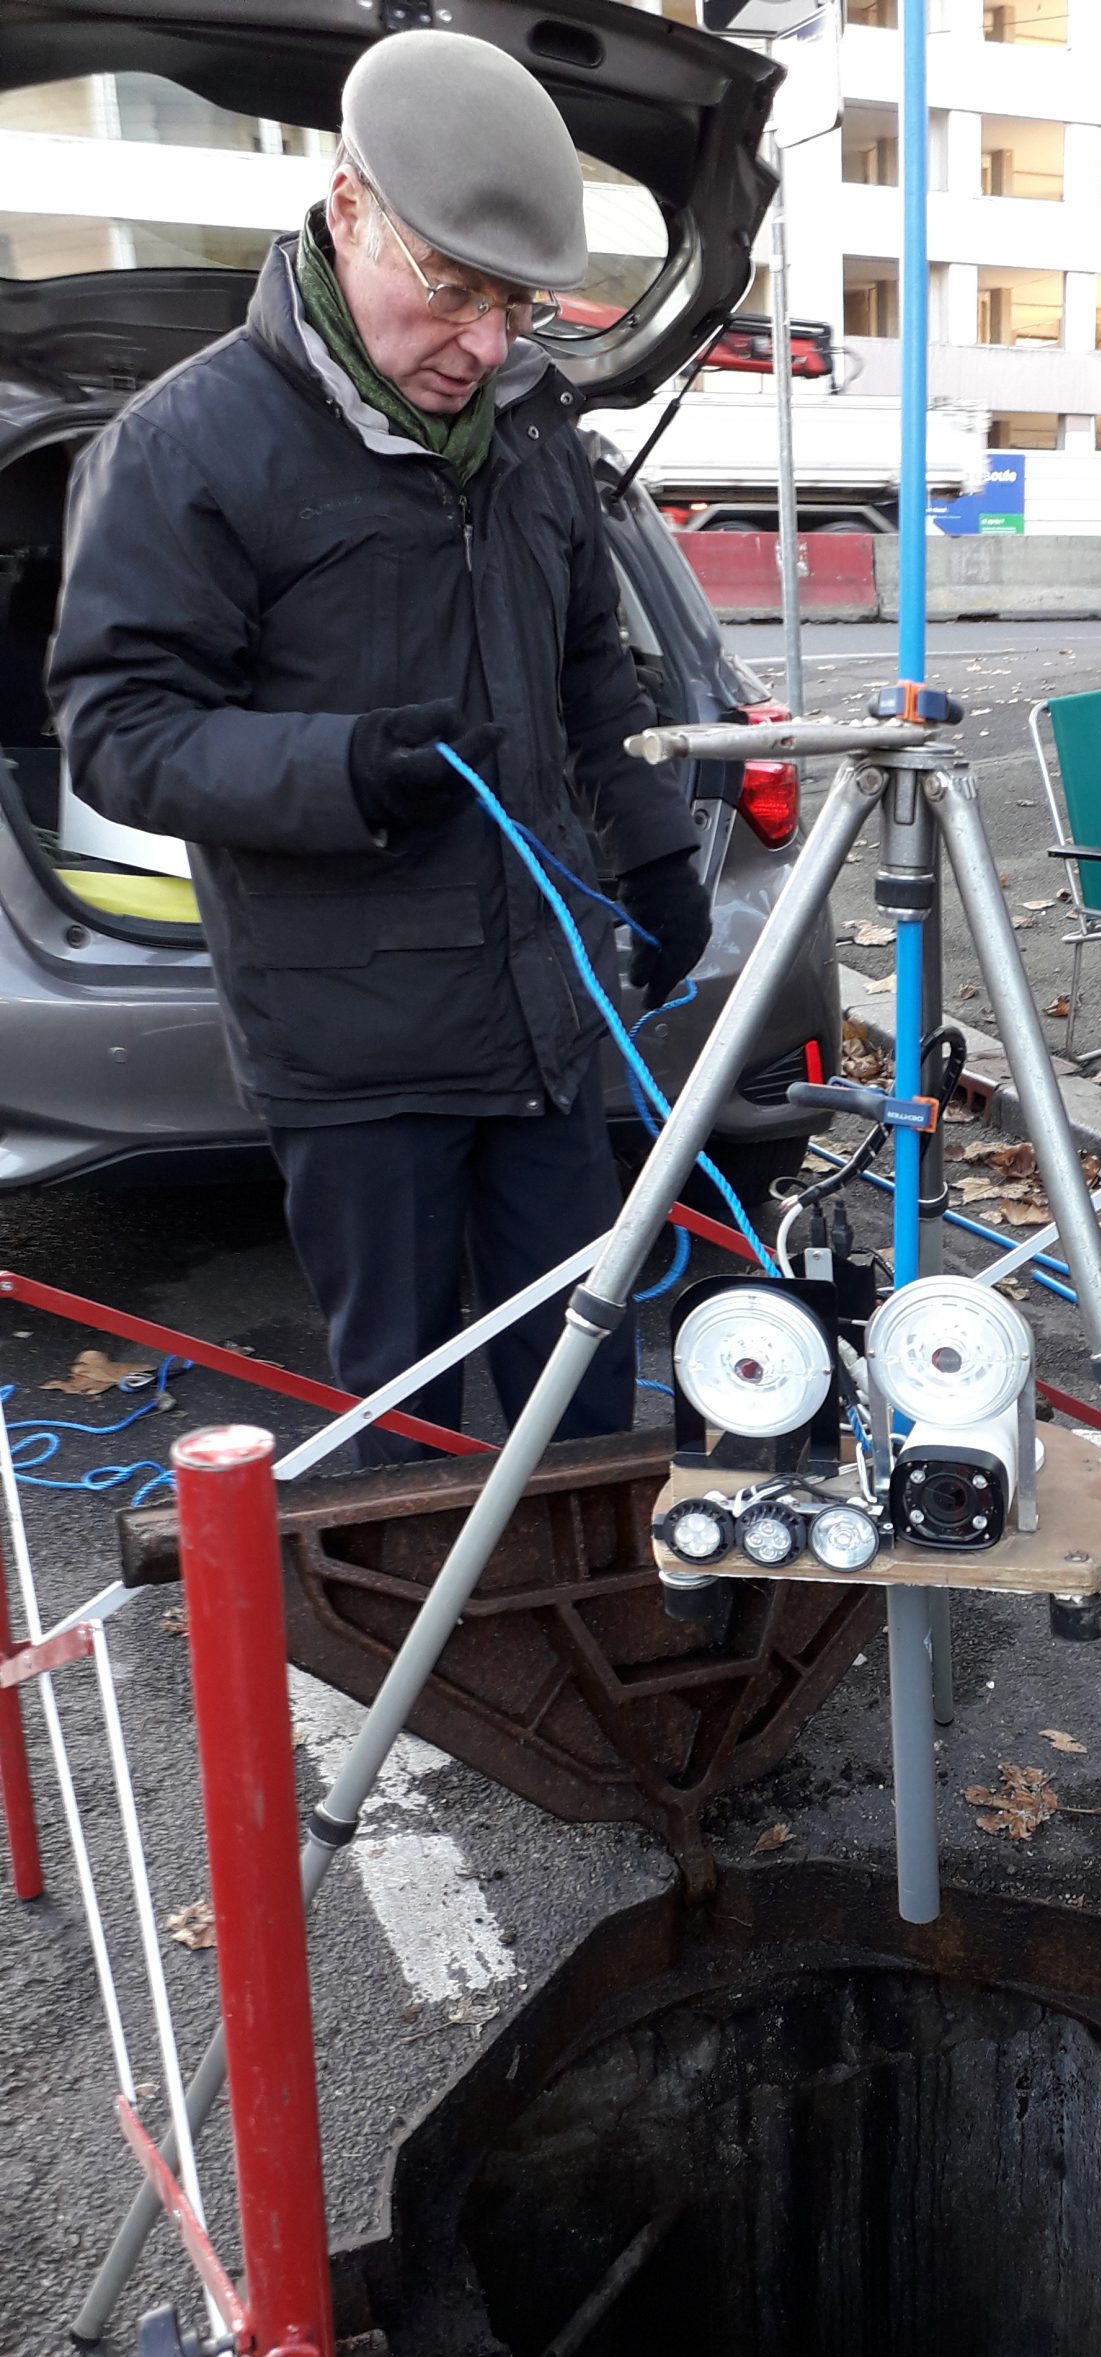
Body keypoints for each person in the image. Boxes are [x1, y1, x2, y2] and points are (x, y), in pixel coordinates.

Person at [48, 30, 710, 1458]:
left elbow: (590, 670)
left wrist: (653, 846)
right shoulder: (184, 451)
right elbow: (120, 733)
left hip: (546, 1021)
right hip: (356, 1051)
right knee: (401, 1440)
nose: (486, 344)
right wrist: (337, 770)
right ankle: (416, 1612)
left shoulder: (530, 433)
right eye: (453, 290)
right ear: (347, 207)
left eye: (516, 304)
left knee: (582, 1404)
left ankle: (585, 1605)